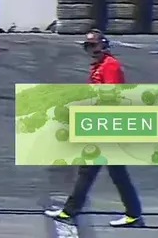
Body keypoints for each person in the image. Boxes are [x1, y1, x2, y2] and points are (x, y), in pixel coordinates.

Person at [44, 30, 144, 227]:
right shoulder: (99, 66)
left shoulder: (110, 66)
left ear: (103, 45)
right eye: (87, 46)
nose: (90, 49)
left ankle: (70, 212)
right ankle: (133, 215)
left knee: (92, 171)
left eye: (93, 45)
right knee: (108, 172)